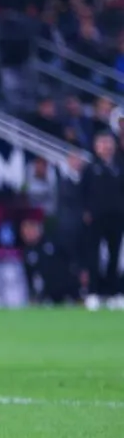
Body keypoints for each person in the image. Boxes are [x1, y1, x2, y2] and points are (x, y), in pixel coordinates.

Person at [80, 131, 124, 311]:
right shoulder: (90, 168)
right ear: (96, 146)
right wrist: (86, 211)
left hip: (117, 217)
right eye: (102, 143)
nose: (106, 147)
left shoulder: (120, 166)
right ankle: (93, 293)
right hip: (96, 218)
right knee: (94, 257)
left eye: (108, 143)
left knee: (115, 257)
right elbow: (82, 193)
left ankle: (115, 293)